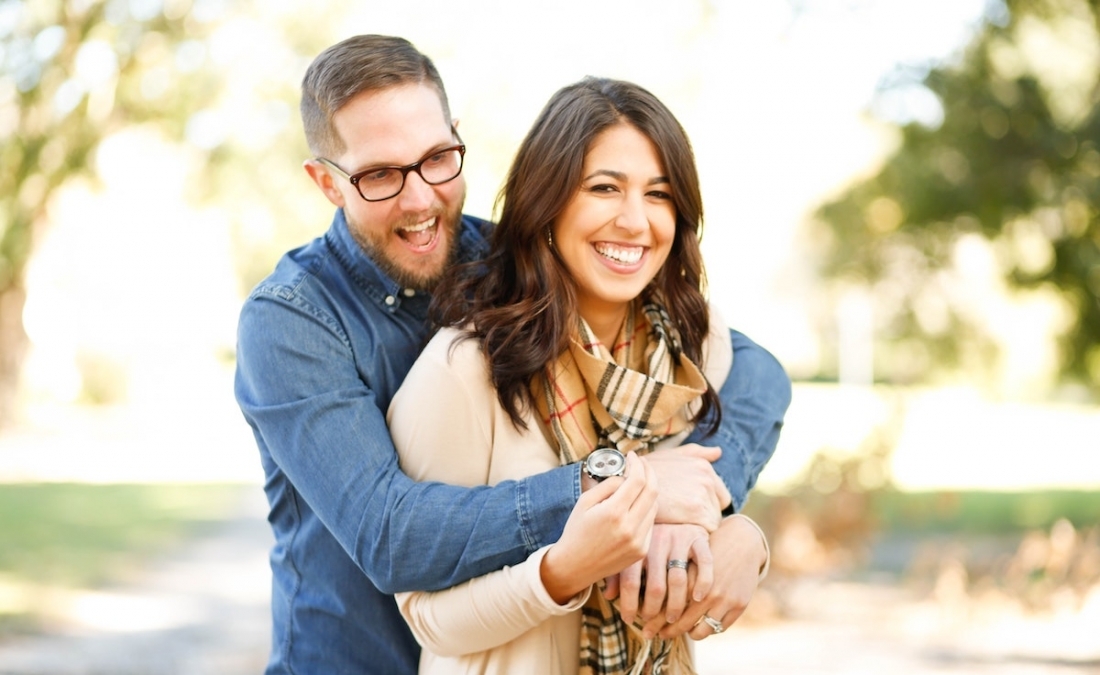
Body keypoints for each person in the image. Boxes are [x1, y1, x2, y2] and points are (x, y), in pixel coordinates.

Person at [234, 34, 792, 675]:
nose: (421, 199)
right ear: (327, 183)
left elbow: (757, 374)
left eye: (438, 158)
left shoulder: (515, 264)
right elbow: (391, 535)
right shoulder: (292, 321)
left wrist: (715, 511)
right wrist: (620, 484)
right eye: (380, 175)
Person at [388, 76, 762, 675]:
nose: (635, 221)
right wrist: (564, 569)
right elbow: (427, 616)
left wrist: (744, 537)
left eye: (659, 194)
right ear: (548, 201)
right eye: (604, 188)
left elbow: (700, 497)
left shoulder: (693, 347)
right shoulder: (464, 370)